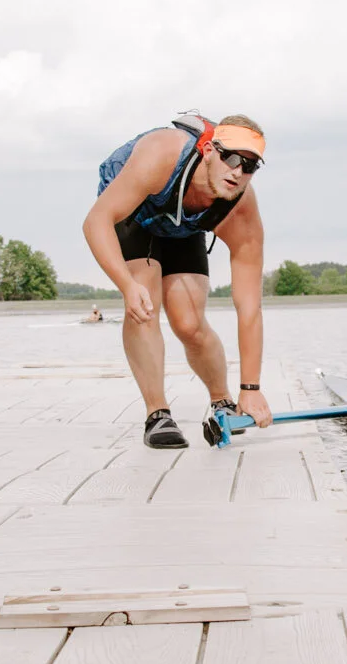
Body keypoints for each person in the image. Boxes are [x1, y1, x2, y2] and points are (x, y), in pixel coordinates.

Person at [84, 112, 273, 448]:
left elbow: (249, 308)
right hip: (134, 210)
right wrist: (128, 286)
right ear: (209, 150)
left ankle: (222, 400)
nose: (237, 172)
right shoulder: (161, 154)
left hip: (183, 224)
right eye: (230, 157)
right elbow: (96, 221)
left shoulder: (241, 208)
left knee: (189, 324)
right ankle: (157, 413)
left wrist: (251, 388)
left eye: (250, 166)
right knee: (144, 303)